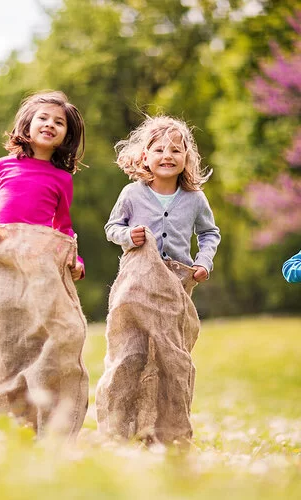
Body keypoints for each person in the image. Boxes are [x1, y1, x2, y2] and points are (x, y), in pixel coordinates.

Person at [0, 90, 89, 440]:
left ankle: (46, 418)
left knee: (42, 334)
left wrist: (74, 259)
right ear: (27, 124)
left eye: (59, 122)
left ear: (67, 135)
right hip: (3, 264)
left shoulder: (61, 178)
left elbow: (63, 228)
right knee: (4, 340)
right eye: (44, 119)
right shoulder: (2, 166)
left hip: (39, 266)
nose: (50, 125)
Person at [96, 115, 221, 447]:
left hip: (176, 284)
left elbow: (209, 233)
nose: (168, 156)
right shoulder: (132, 193)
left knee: (171, 356)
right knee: (129, 354)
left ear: (186, 159)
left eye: (176, 150)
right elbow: (112, 228)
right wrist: (127, 235)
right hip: (136, 283)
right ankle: (117, 430)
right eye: (159, 149)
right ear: (145, 157)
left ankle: (168, 433)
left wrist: (203, 262)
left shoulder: (194, 198)